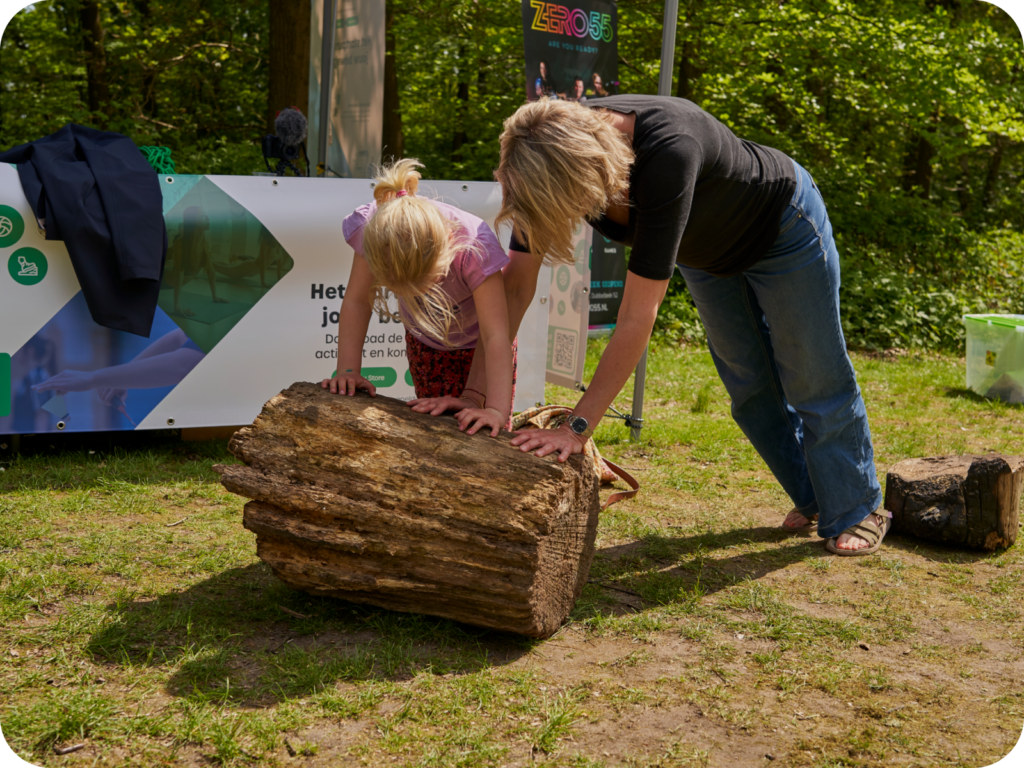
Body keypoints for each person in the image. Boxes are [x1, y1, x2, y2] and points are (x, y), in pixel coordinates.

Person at [490, 95, 888, 556]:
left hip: (783, 230)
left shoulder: (667, 152)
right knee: (749, 385)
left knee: (813, 376)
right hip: (705, 253)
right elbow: (515, 288)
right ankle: (818, 497)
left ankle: (858, 507)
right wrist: (482, 400)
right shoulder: (539, 152)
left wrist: (576, 429)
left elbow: (637, 318)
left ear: (584, 176)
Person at [321, 159, 515, 437]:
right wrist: (348, 370)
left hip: (481, 348)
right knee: (434, 427)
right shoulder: (376, 230)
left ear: (448, 244)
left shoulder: (475, 246)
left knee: (481, 430)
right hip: (425, 342)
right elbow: (357, 300)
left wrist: (495, 410)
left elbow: (497, 335)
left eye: (428, 285)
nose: (419, 297)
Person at [165, 206, 228, 317]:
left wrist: (215, 296)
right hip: (163, 280)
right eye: (203, 216)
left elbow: (211, 271)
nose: (207, 218)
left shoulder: (205, 242)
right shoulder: (180, 243)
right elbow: (178, 274)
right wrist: (177, 307)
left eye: (207, 215)